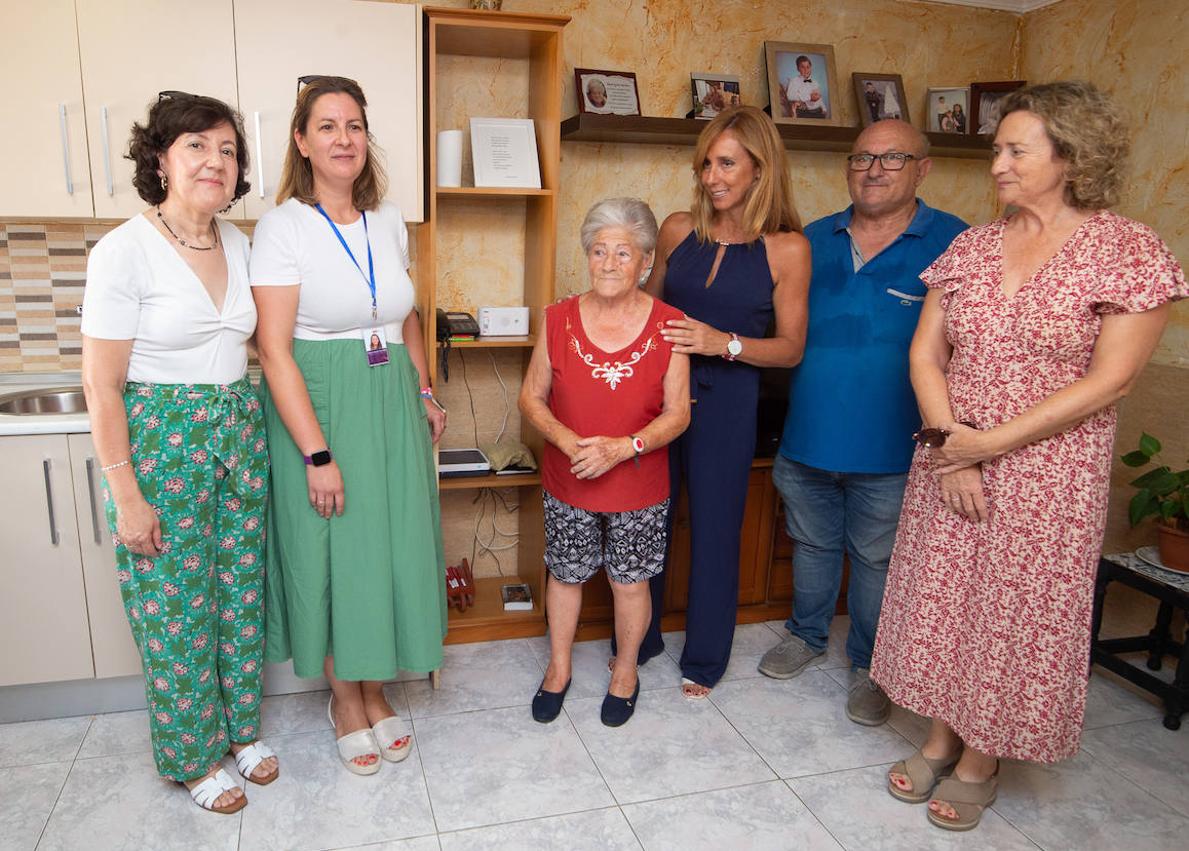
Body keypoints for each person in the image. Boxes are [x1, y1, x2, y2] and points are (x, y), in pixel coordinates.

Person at [871, 81, 1186, 832]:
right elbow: (924, 356)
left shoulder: (1126, 250)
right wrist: (957, 449)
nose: (997, 165)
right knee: (948, 600)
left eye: (1015, 149)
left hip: (1051, 475)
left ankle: (982, 756)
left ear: (1070, 156)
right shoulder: (970, 246)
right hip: (952, 454)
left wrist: (992, 444)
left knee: (1015, 613)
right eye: (995, 150)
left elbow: (1112, 379)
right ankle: (942, 733)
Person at [81, 92, 276, 814]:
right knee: (173, 609)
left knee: (237, 596)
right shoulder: (122, 251)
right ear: (160, 159)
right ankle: (192, 752)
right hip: (160, 443)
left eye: (227, 150)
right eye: (197, 145)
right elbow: (101, 387)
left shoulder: (241, 244)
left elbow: (262, 344)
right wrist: (125, 493)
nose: (215, 161)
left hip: (236, 436)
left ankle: (241, 729)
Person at [251, 76, 447, 776]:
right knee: (332, 550)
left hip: (390, 397)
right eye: (327, 125)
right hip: (323, 406)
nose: (343, 138)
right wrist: (316, 452)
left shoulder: (388, 219)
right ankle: (345, 696)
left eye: (354, 125)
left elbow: (403, 314)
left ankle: (373, 681)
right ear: (302, 141)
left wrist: (422, 387)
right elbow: (273, 349)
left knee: (384, 547)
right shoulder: (283, 226)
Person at [756, 120, 967, 727]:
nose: (873, 170)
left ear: (923, 168)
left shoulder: (959, 244)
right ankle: (805, 634)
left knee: (877, 563)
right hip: (806, 439)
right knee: (814, 546)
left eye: (892, 158)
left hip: (894, 450)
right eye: (861, 159)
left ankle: (870, 665)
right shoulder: (809, 240)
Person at [618, 106, 810, 699]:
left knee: (717, 528)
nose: (712, 176)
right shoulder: (677, 229)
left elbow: (791, 349)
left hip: (729, 400)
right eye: (706, 163)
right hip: (659, 395)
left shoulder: (788, 249)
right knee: (646, 518)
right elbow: (645, 314)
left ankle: (704, 658)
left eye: (726, 163)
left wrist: (720, 343)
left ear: (760, 168)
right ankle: (640, 641)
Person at [521, 198, 690, 727]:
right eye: (599, 251)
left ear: (645, 262)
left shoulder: (670, 325)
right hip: (568, 476)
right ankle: (558, 667)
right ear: (587, 257)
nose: (610, 263)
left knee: (630, 581)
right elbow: (531, 398)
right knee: (566, 575)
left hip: (639, 480)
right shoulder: (557, 318)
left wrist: (622, 447)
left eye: (624, 252)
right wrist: (570, 442)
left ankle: (625, 673)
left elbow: (678, 413)